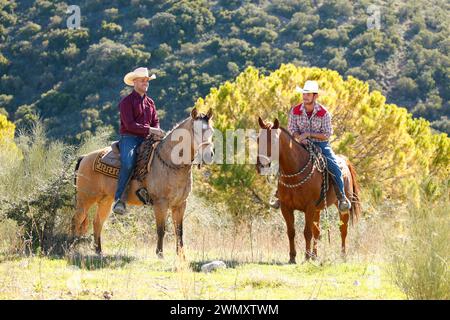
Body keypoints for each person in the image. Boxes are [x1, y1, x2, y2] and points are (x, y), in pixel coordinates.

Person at [271, 80, 351, 212]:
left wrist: (308, 134)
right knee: (284, 162)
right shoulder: (295, 110)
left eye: (308, 94)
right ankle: (279, 195)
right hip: (300, 143)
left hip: (321, 144)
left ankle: (342, 196)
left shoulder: (323, 113)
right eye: (304, 94)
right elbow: (292, 129)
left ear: (315, 96)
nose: (305, 96)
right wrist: (299, 137)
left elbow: (327, 134)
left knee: (333, 164)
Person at [112, 67, 164, 215]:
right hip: (130, 138)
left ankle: (153, 194)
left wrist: (157, 131)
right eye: (142, 80)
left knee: (161, 160)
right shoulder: (126, 102)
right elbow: (129, 125)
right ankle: (119, 200)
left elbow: (155, 121)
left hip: (147, 139)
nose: (145, 83)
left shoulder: (151, 103)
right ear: (134, 82)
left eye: (147, 80)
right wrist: (151, 130)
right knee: (128, 162)